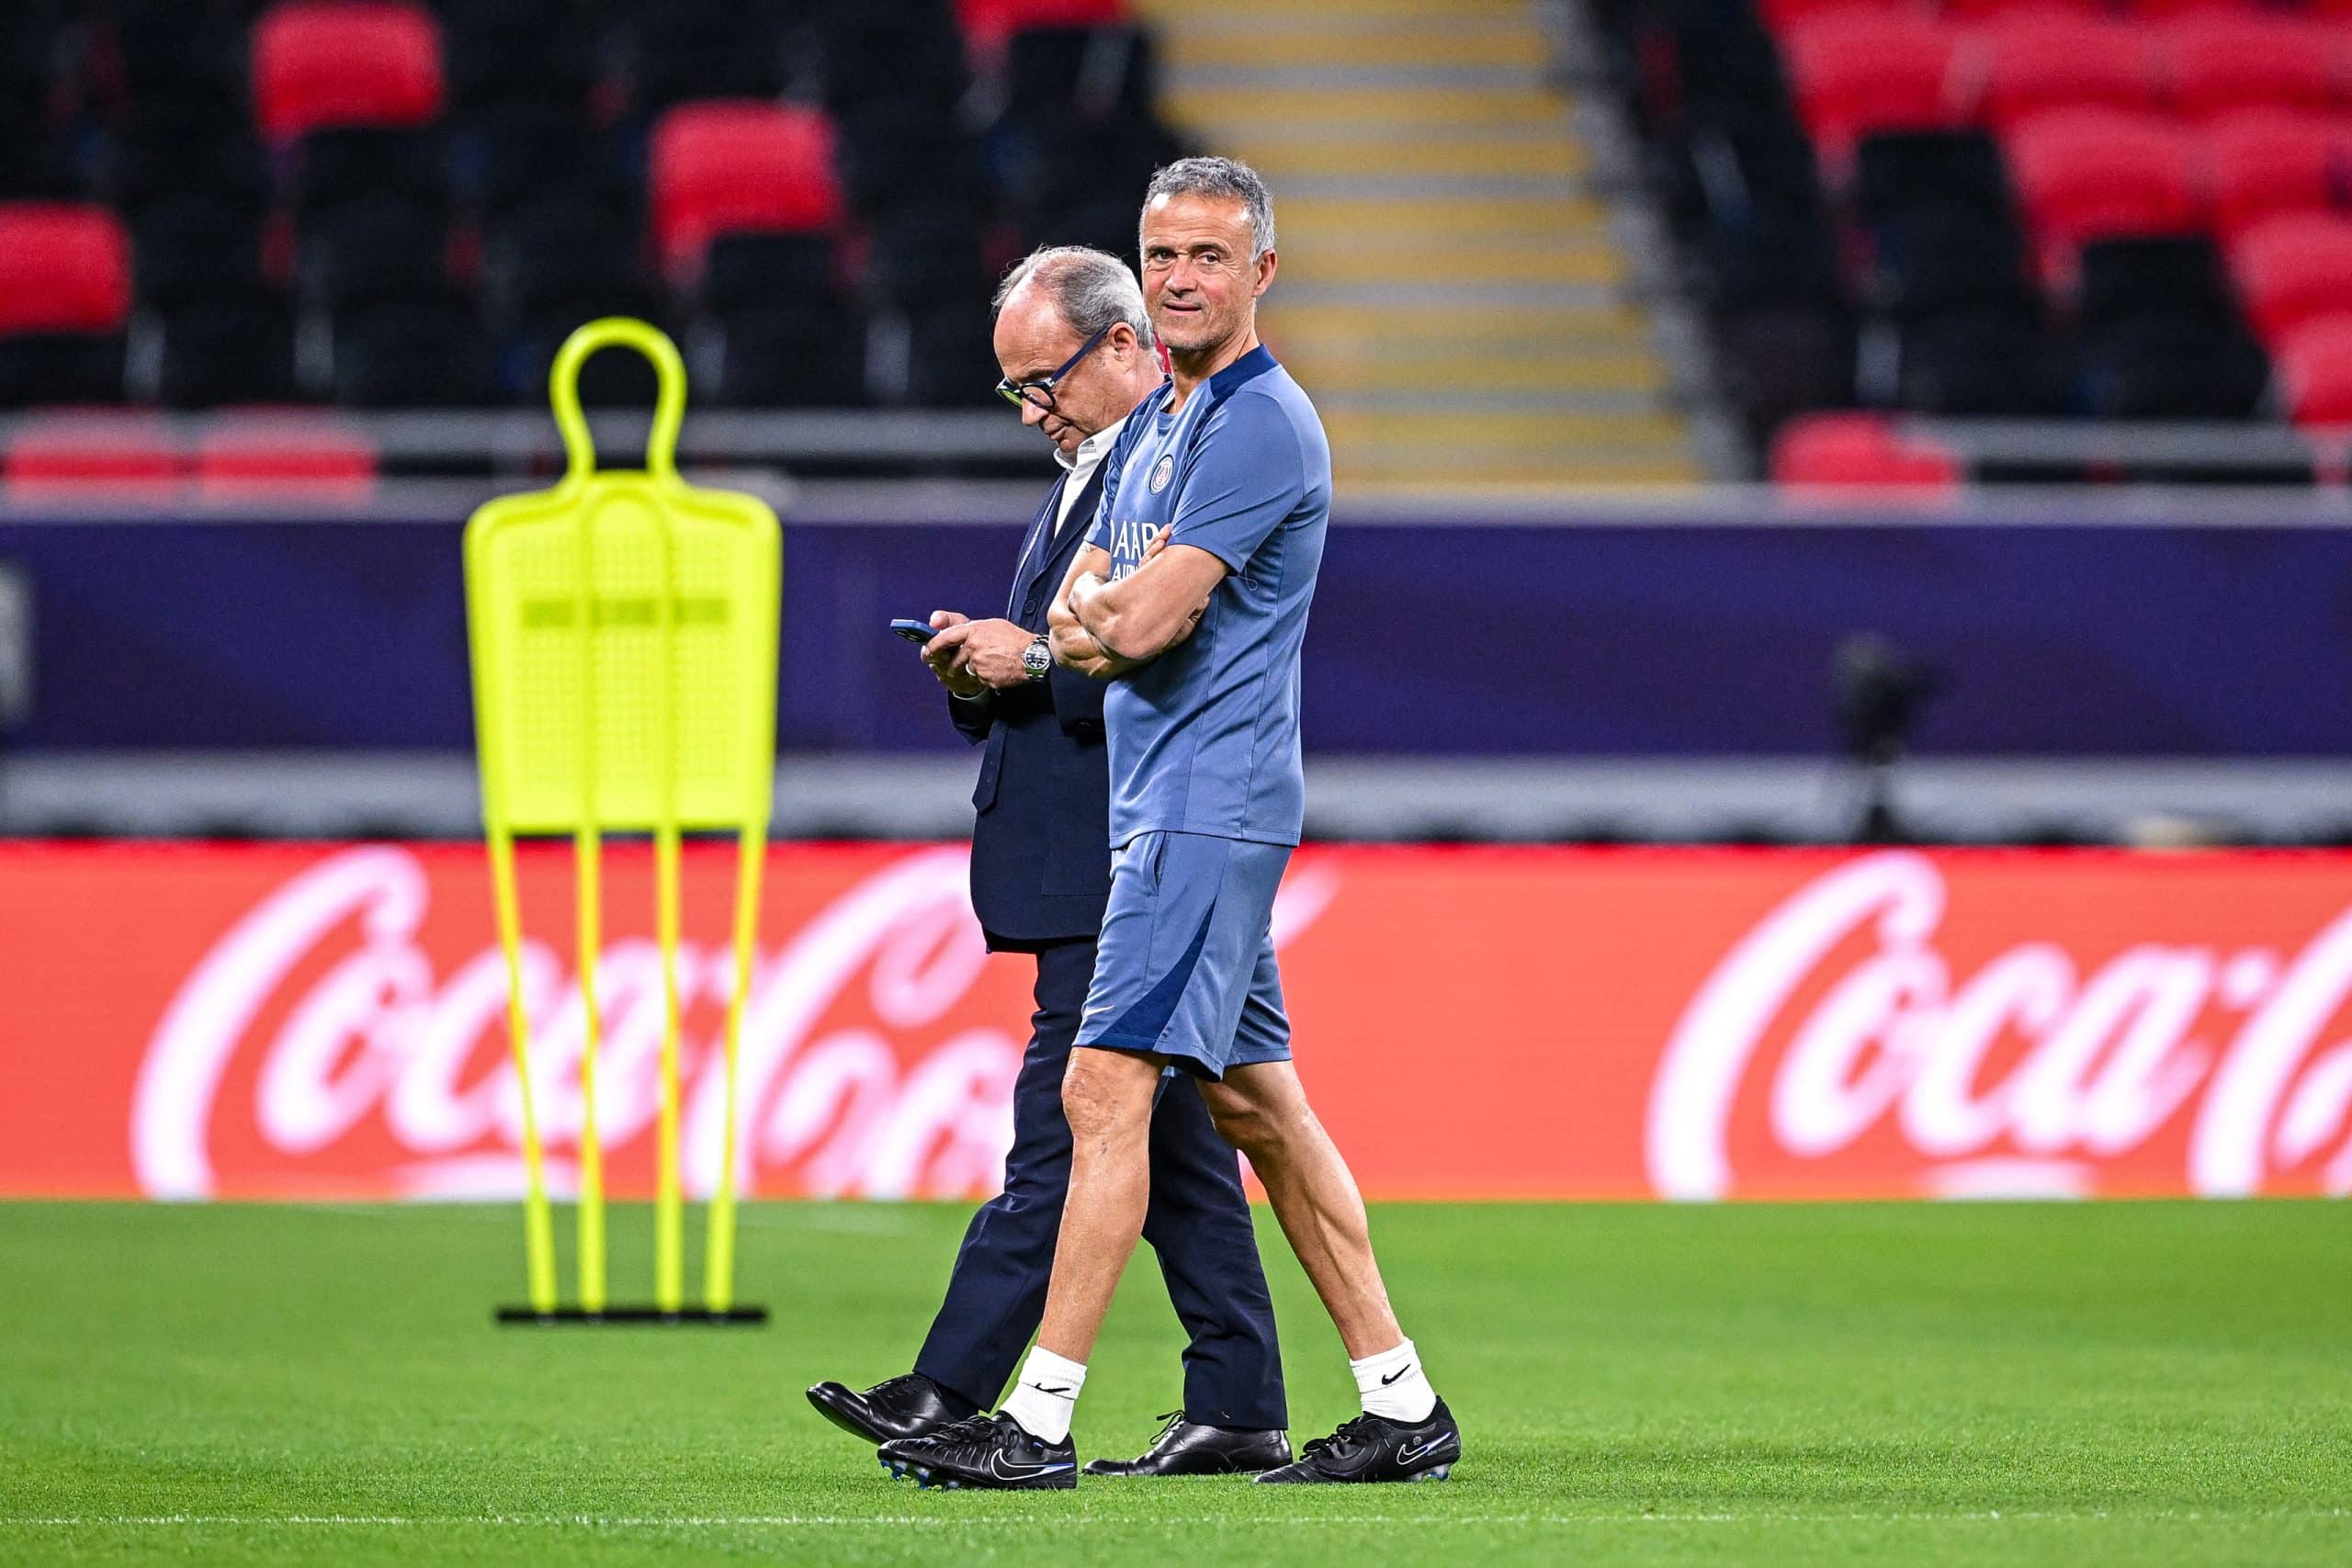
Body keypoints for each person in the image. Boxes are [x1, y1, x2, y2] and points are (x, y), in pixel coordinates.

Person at [880, 160, 1462, 1491]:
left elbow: (1123, 624)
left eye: (1209, 254)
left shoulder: (1260, 425)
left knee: (1102, 1089)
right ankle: (1399, 1401)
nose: (1183, 276)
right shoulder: (1155, 429)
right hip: (1163, 802)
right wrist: (1097, 623)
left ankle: (1032, 1423)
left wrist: (1103, 623)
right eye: (1163, 254)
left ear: (1262, 272)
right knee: (1259, 1111)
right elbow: (1084, 607)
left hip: (1207, 805)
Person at [806, 246, 1291, 1480]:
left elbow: (1161, 661)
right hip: (1104, 847)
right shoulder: (1102, 473)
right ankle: (1237, 1405)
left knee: (1064, 1130)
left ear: (1125, 343)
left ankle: (950, 1386)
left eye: (1045, 380)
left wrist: (1029, 663)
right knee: (1178, 1144)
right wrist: (992, 663)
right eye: (1015, 389)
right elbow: (1070, 661)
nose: (1034, 410)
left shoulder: (1180, 476)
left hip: (1130, 854)